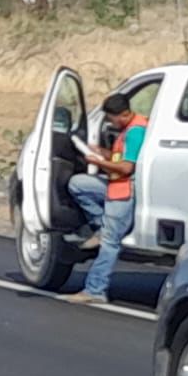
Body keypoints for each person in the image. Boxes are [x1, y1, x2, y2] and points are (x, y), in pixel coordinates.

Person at [65, 94, 148, 304]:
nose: (110, 123)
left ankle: (95, 289)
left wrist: (98, 162)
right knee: (78, 184)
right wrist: (102, 152)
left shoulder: (135, 132)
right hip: (116, 186)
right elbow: (121, 157)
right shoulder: (129, 129)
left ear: (122, 115)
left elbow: (126, 168)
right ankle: (100, 228)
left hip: (124, 190)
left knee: (110, 243)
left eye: (111, 119)